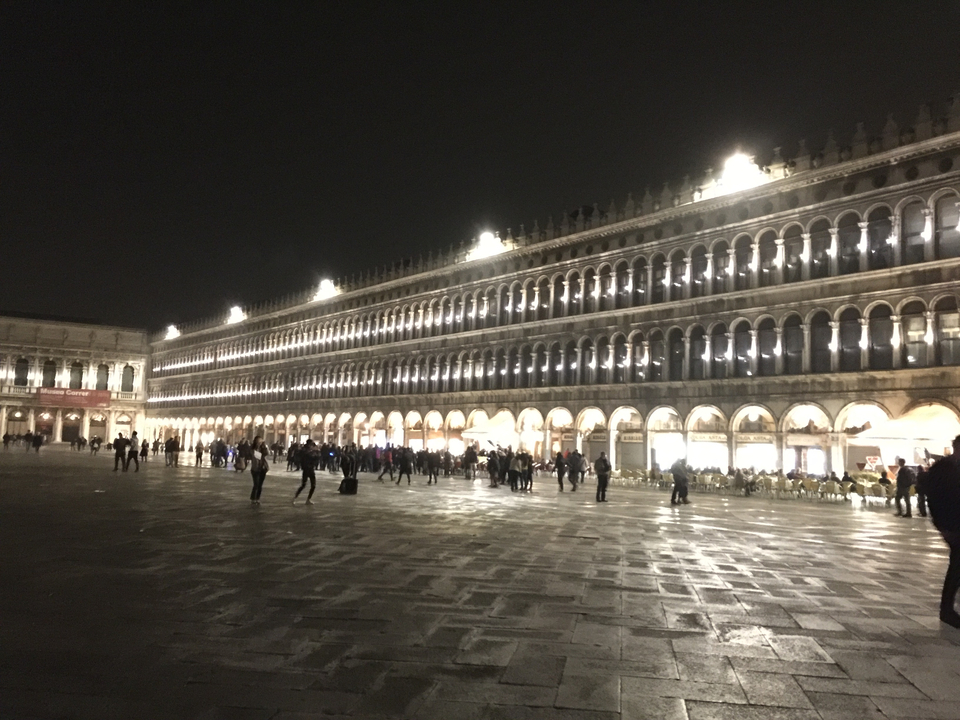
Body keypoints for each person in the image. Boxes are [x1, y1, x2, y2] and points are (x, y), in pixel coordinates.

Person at [924, 434, 960, 629]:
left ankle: (947, 609)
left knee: (957, 568)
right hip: (953, 526)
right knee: (956, 568)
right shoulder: (943, 469)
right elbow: (935, 499)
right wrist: (943, 526)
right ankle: (946, 610)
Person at [294, 439, 319, 505]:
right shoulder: (304, 450)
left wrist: (316, 454)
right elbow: (308, 457)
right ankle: (295, 497)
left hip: (310, 469)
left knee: (312, 485)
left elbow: (316, 458)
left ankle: (308, 499)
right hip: (307, 468)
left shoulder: (310, 450)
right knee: (304, 484)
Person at [249, 436, 269, 505]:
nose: (259, 443)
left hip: (262, 468)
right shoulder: (252, 449)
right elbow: (258, 456)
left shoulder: (263, 448)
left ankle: (257, 498)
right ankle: (253, 498)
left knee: (260, 485)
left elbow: (267, 454)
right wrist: (260, 450)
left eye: (261, 442)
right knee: (256, 484)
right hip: (255, 469)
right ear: (255, 441)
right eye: (258, 442)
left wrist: (264, 447)